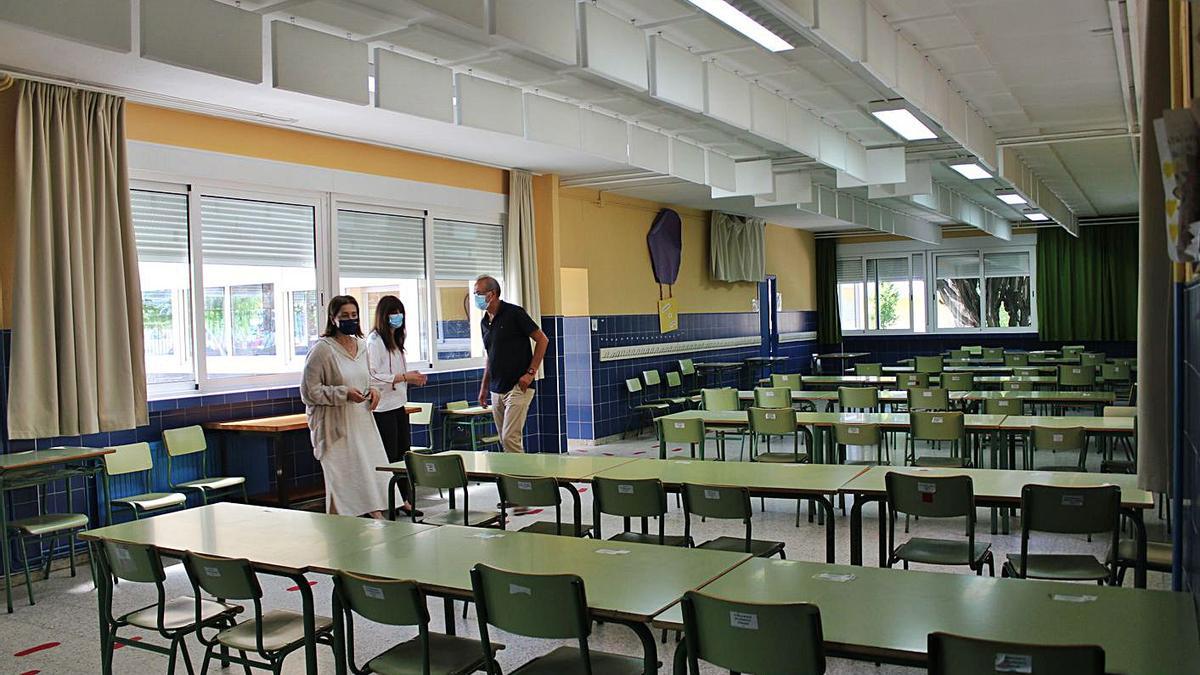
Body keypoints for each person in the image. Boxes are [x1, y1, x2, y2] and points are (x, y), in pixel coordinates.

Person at [300, 295, 392, 518]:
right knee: (342, 477)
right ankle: (348, 521)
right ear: (333, 319)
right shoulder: (322, 350)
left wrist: (374, 392)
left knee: (369, 469)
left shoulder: (361, 346)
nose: (351, 319)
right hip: (335, 425)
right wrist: (343, 393)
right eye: (345, 316)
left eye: (354, 315)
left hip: (361, 419)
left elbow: (367, 380)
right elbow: (308, 391)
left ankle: (375, 514)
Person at [367, 295, 426, 516]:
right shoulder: (375, 342)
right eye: (393, 313)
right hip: (383, 408)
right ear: (384, 316)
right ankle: (388, 500)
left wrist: (409, 378)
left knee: (403, 453)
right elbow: (373, 376)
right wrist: (404, 377)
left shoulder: (396, 341)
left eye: (400, 312)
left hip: (398, 404)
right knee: (389, 455)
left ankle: (405, 499)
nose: (398, 317)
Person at [475, 275, 548, 453]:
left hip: (518, 386)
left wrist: (530, 373)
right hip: (496, 388)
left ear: (491, 294)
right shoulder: (484, 322)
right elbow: (490, 356)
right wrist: (484, 387)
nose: (475, 297)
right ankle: (512, 478)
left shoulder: (514, 313)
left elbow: (542, 340)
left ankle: (522, 480)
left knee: (510, 438)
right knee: (504, 439)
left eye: (478, 293)